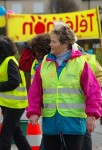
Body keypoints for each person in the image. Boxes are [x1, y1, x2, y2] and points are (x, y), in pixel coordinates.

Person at [26, 22, 102, 150]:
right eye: (50, 41)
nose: (50, 45)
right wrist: (33, 112)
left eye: (54, 42)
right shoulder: (45, 62)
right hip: (51, 123)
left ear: (65, 44)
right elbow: (35, 91)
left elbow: (93, 91)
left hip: (73, 124)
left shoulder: (80, 63)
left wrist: (92, 115)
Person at [0, 36, 31, 150]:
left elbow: (15, 81)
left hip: (14, 105)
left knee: (5, 134)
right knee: (16, 133)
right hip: (10, 104)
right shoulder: (7, 61)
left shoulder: (9, 61)